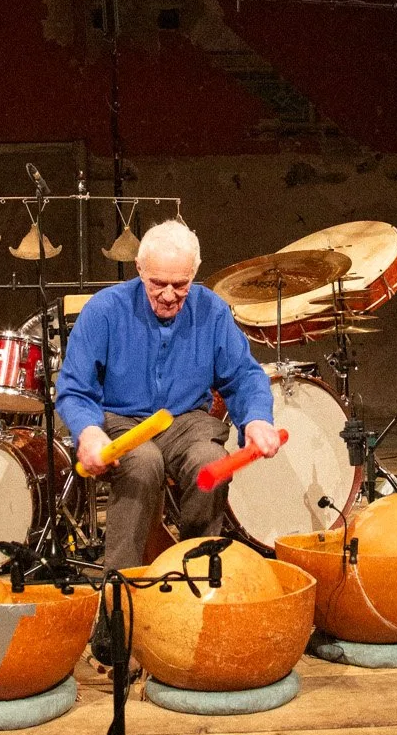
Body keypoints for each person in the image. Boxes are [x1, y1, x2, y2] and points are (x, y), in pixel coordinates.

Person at [55, 219, 282, 572]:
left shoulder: (212, 311)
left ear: (194, 272)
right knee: (143, 463)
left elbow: (244, 376)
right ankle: (122, 585)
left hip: (185, 422)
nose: (169, 295)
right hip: (121, 421)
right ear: (139, 269)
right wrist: (88, 431)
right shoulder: (104, 310)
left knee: (210, 462)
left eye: (180, 285)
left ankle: (196, 574)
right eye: (158, 283)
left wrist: (256, 419)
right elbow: (73, 387)